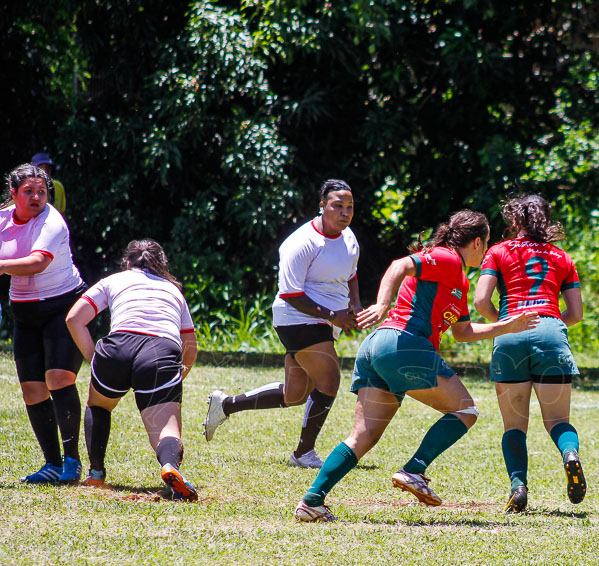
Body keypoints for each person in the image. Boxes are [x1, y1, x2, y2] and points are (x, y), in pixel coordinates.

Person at [293, 210, 539, 522]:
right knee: (465, 410)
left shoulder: (459, 281)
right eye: (487, 242)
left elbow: (463, 332)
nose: (487, 249)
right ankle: (415, 469)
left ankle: (312, 501)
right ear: (477, 242)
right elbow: (400, 265)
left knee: (363, 437)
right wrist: (383, 304)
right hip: (403, 343)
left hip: (378, 349)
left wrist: (508, 326)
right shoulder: (448, 259)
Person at [202, 179, 361, 468]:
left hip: (325, 321)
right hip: (296, 317)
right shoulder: (301, 243)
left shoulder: (349, 237)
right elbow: (291, 295)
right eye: (338, 205)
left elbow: (351, 275)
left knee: (295, 394)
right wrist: (332, 315)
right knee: (329, 379)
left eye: (349, 206)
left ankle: (225, 405)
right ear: (322, 206)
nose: (345, 212)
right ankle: (303, 454)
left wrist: (356, 306)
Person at [473, 194, 586, 513]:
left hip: (510, 337)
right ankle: (570, 454)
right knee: (558, 421)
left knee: (514, 426)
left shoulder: (497, 252)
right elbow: (575, 313)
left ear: (514, 221)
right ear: (545, 221)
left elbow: (481, 302)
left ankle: (518, 487)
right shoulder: (561, 257)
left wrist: (506, 325)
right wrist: (549, 325)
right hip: (551, 334)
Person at [65, 240, 200, 499]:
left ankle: (95, 475)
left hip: (116, 348)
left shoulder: (113, 280)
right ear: (162, 264)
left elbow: (74, 318)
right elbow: (190, 348)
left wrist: (95, 359)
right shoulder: (173, 290)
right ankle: (169, 466)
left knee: (99, 405)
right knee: (166, 429)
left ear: (127, 262)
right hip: (161, 352)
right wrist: (176, 376)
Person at [1, 164, 93, 484]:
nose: (37, 197)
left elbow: (38, 263)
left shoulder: (51, 220)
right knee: (32, 390)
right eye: (29, 191)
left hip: (63, 308)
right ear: (14, 194)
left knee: (58, 378)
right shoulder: (2, 220)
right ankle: (52, 464)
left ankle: (72, 462)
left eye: (42, 191)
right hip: (24, 314)